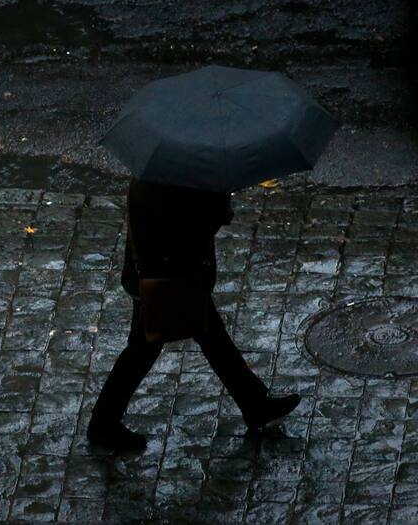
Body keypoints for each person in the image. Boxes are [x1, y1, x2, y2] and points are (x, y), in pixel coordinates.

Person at [87, 177, 301, 451]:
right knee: (147, 347)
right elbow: (191, 223)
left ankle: (254, 403)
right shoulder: (177, 174)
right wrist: (219, 205)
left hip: (163, 270)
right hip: (166, 274)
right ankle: (103, 423)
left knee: (208, 333)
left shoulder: (157, 166)